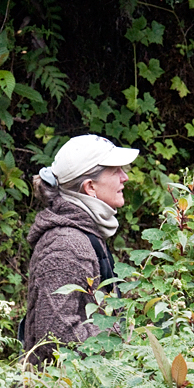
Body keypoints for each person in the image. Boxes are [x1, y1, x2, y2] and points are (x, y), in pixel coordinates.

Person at [24, 134, 138, 365]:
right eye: (115, 171)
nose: (124, 177)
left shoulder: (83, 232)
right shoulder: (66, 247)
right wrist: (119, 335)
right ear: (90, 187)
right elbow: (55, 338)